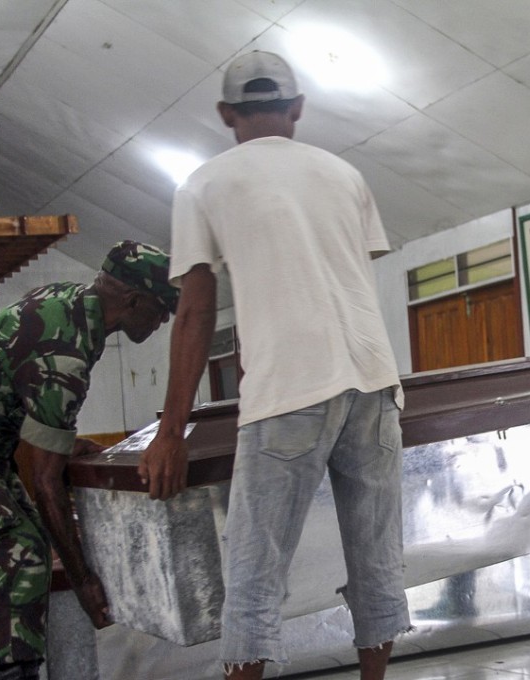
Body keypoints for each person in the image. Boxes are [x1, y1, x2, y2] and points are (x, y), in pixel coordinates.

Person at [139, 51, 411, 679]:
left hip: (289, 389)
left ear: (227, 113)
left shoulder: (203, 184)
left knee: (255, 572)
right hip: (374, 382)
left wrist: (169, 433)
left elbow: (195, 316)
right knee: (377, 560)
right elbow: (351, 279)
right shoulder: (345, 175)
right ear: (296, 109)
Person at [0, 240, 179, 679]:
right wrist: (83, 582)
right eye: (161, 310)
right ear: (134, 300)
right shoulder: (67, 350)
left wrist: (65, 442)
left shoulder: (71, 302)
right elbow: (46, 483)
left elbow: (25, 392)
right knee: (16, 553)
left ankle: (19, 663)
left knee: (32, 545)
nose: (164, 321)